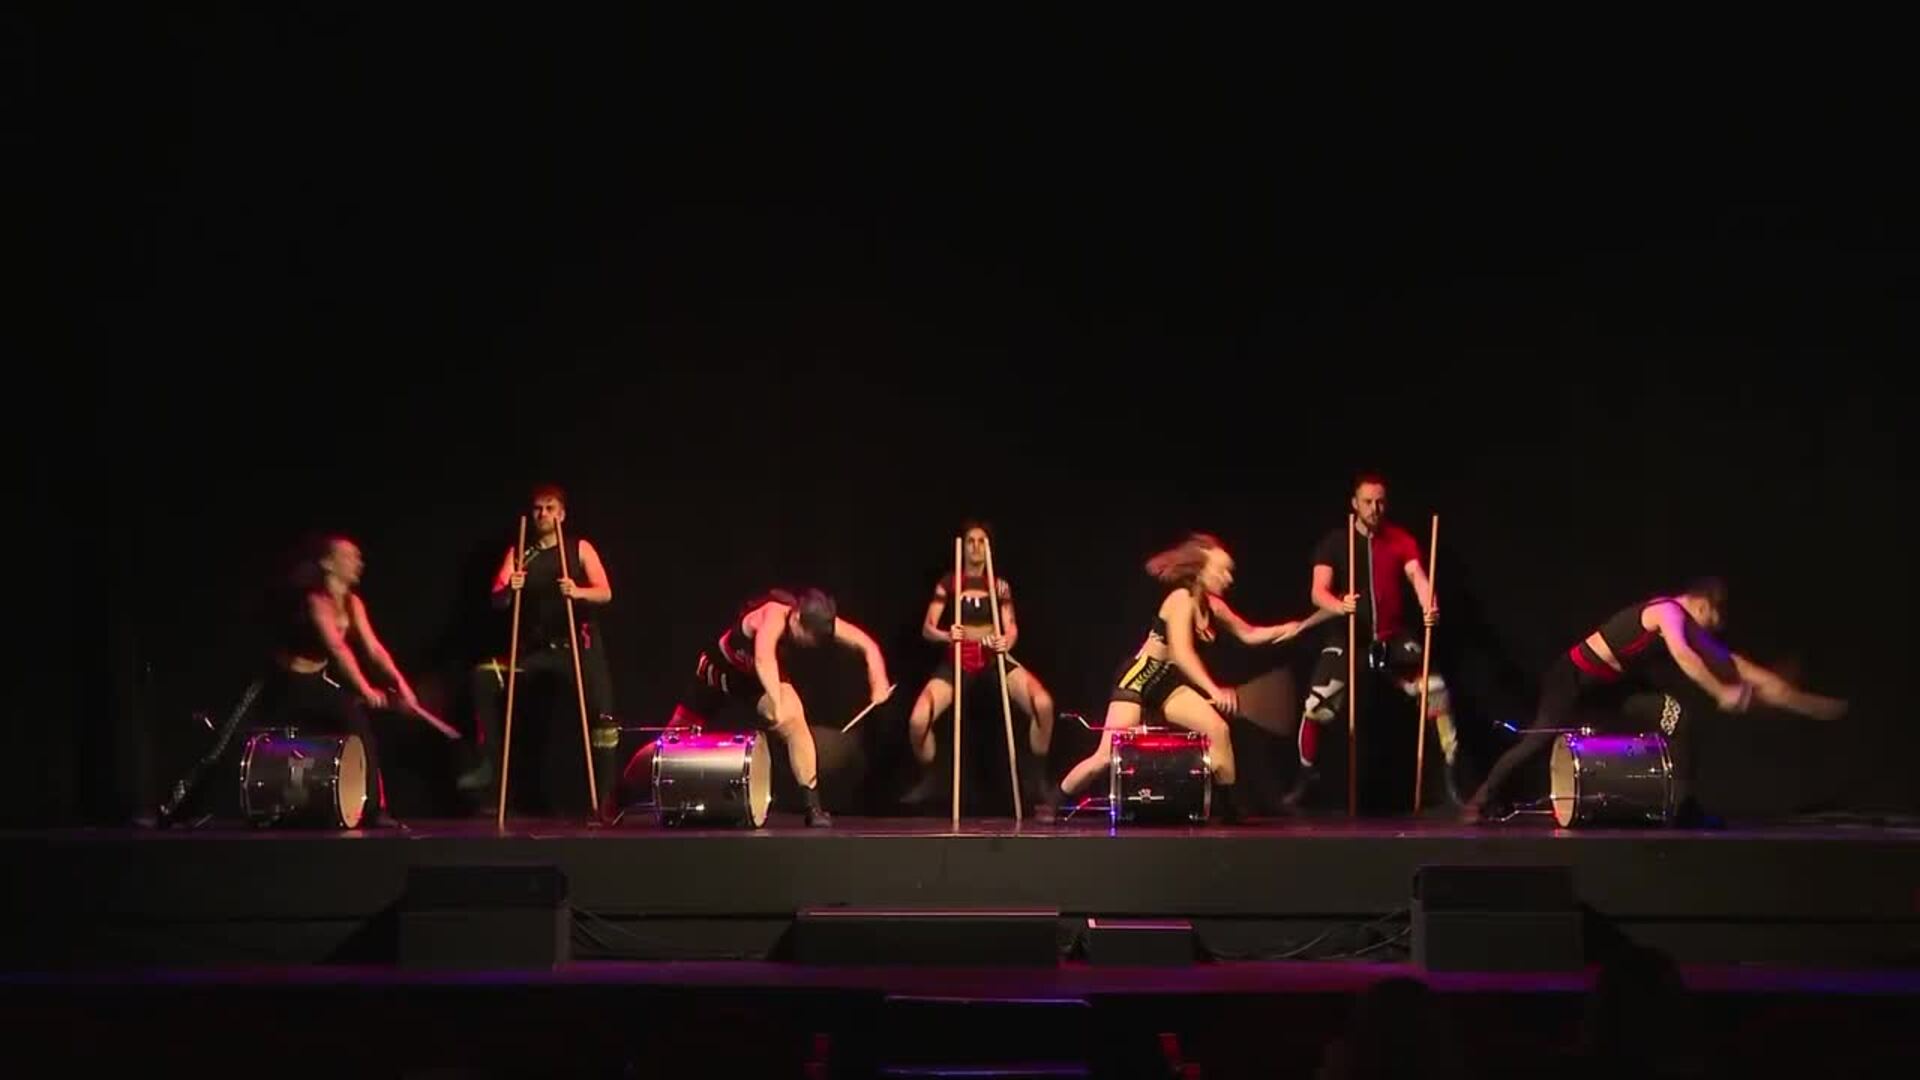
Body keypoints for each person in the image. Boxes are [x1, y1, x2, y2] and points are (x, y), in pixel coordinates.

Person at [1460, 577, 1849, 823]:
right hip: (1573, 678)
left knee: (1675, 718)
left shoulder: (1688, 622)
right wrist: (1721, 691)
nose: (1711, 630)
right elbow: (1685, 656)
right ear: (1702, 604)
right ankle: (1480, 800)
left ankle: (1680, 808)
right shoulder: (1666, 612)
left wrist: (1796, 699)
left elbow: (1734, 664)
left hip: (1612, 688)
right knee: (1537, 741)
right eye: (1712, 621)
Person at [1042, 533, 1331, 822]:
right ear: (1200, 571)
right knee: (1106, 756)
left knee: (1218, 730)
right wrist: (1214, 690)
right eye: (1222, 570)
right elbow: (1182, 654)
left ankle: (1227, 809)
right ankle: (1055, 801)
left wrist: (1291, 628)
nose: (1229, 578)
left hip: (1166, 684)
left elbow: (1249, 633)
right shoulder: (1180, 599)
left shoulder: (1213, 606)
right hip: (1139, 678)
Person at [160, 534, 420, 828]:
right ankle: (177, 809)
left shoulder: (353, 603)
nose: (358, 562)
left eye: (358, 557)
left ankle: (374, 810)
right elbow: (337, 648)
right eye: (348, 556)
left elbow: (374, 650)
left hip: (316, 682)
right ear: (328, 563)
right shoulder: (315, 601)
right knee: (226, 742)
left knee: (360, 731)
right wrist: (365, 688)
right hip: (279, 682)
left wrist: (402, 685)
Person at [634, 587, 891, 827]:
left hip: (753, 680)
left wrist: (878, 681)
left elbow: (868, 645)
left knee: (794, 720)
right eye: (809, 636)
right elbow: (763, 658)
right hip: (719, 672)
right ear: (796, 617)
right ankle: (624, 789)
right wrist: (776, 702)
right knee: (672, 742)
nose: (813, 643)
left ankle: (813, 807)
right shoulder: (773, 616)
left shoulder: (821, 621)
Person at [1285, 473, 1456, 808]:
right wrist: (1339, 605)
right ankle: (1305, 779)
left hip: (1392, 637)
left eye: (1380, 502)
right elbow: (1318, 592)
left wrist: (1429, 605)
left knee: (1437, 692)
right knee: (1316, 706)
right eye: (1367, 502)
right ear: (1355, 504)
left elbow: (1418, 577)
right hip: (1349, 637)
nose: (1374, 508)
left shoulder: (1400, 539)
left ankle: (1450, 778)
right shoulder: (1336, 542)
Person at [460, 484, 618, 820]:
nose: (542, 514)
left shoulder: (579, 548)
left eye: (550, 508)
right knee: (485, 677)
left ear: (562, 514)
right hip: (538, 651)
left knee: (603, 723)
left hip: (580, 649)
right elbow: (498, 598)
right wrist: (508, 588)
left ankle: (604, 801)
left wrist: (578, 591)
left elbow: (605, 592)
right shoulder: (521, 551)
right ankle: (490, 766)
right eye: (537, 509)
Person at [903, 522, 1057, 811]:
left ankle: (1037, 780)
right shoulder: (950, 582)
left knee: (1044, 704)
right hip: (959, 657)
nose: (975, 547)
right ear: (963, 547)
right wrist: (946, 635)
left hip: (992, 657)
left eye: (980, 541)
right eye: (970, 541)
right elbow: (927, 628)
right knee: (918, 720)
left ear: (988, 548)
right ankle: (931, 777)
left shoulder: (999, 585)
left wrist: (1005, 641)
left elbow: (1011, 627)